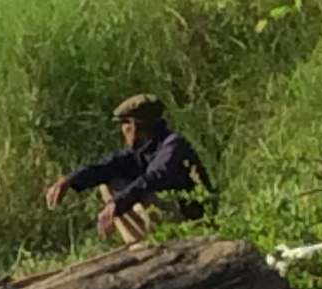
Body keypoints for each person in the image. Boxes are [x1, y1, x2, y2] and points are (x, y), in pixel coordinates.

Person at [44, 94, 209, 244]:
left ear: (133, 125)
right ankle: (139, 246)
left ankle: (157, 244)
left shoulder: (173, 145)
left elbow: (153, 178)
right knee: (109, 183)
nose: (122, 131)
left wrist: (117, 204)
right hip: (170, 215)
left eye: (124, 124)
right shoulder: (142, 150)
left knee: (130, 193)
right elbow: (108, 166)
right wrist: (70, 179)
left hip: (191, 220)